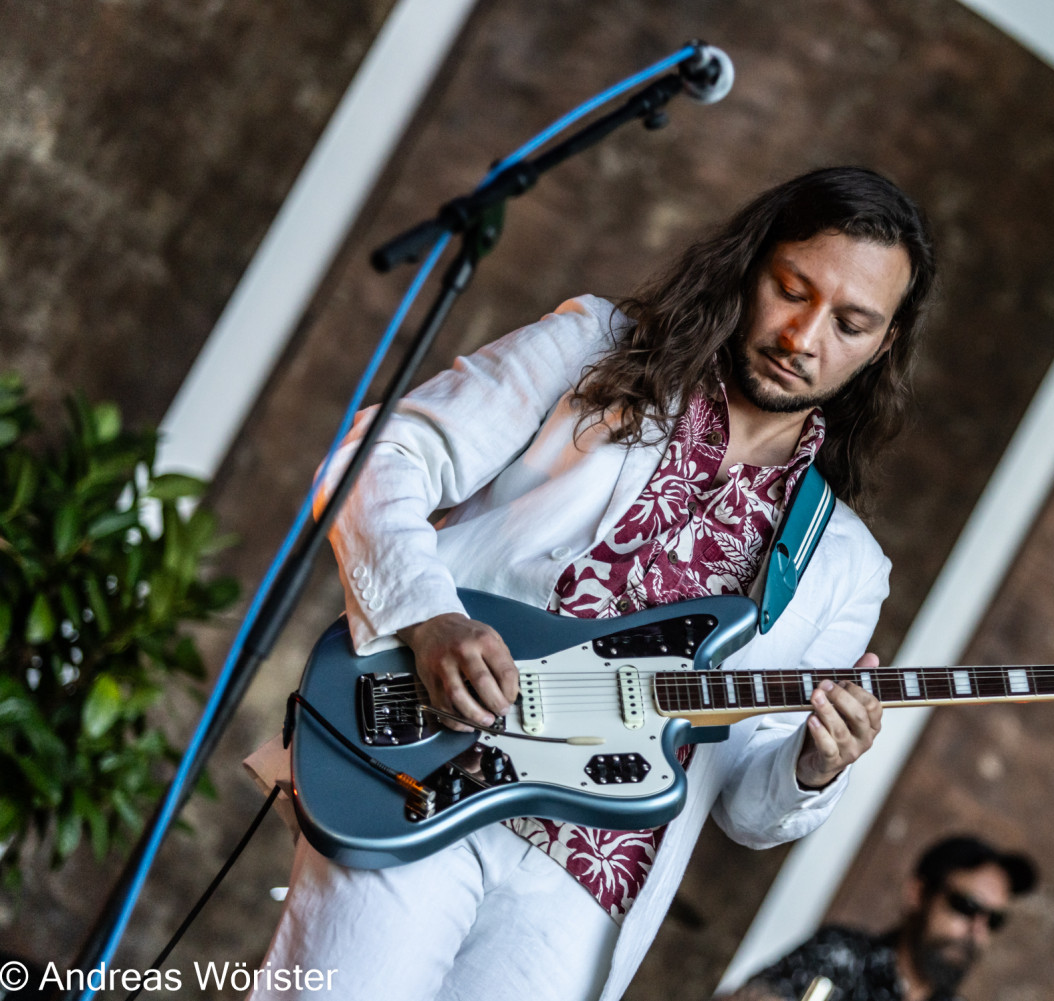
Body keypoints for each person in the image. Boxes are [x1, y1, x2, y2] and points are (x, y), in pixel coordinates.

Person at [244, 166, 937, 1001]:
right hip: (437, 767)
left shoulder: (844, 564)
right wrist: (428, 617)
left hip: (585, 890)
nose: (804, 335)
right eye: (792, 290)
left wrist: (817, 764)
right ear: (752, 266)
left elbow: (749, 808)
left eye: (851, 322)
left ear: (884, 343)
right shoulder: (598, 347)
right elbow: (381, 456)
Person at [724, 836, 1038, 1001]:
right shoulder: (843, 956)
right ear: (918, 894)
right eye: (966, 906)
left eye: (993, 921)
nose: (977, 931)